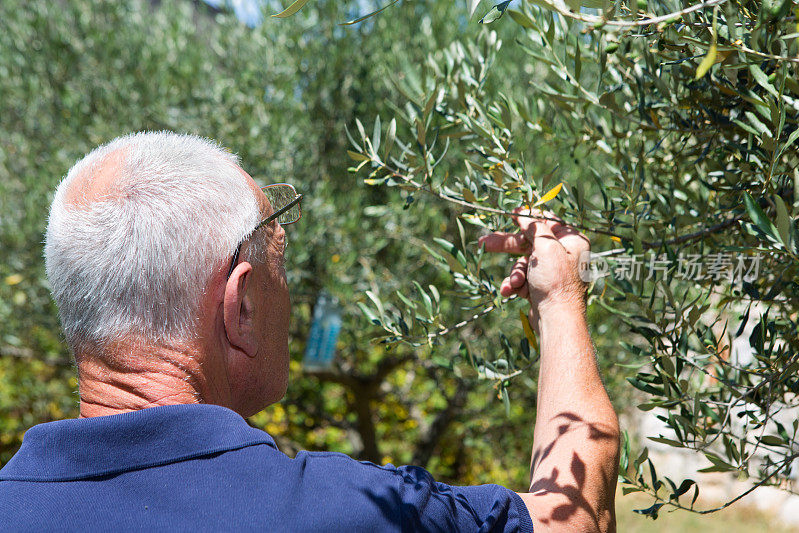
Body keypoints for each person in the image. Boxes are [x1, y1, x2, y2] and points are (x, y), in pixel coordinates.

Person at [0, 132, 619, 532]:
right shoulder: (342, 513)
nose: (289, 296)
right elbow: (571, 523)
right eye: (280, 266)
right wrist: (560, 297)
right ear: (239, 305)